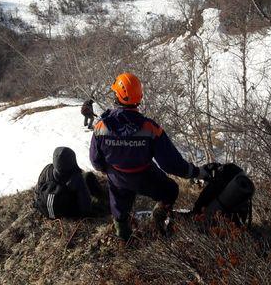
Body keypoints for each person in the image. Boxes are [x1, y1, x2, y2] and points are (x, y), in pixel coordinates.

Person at [89, 72, 211, 241]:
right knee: (170, 190)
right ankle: (158, 218)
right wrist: (197, 173)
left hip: (118, 177)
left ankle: (124, 238)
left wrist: (111, 170)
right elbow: (171, 164)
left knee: (119, 206)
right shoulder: (150, 129)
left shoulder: (101, 127)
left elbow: (96, 161)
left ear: (117, 96)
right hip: (145, 176)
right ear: (139, 97)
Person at [35, 147, 105, 219]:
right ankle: (104, 198)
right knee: (89, 176)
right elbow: (86, 208)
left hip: (45, 209)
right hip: (68, 212)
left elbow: (37, 191)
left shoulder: (47, 169)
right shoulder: (76, 178)